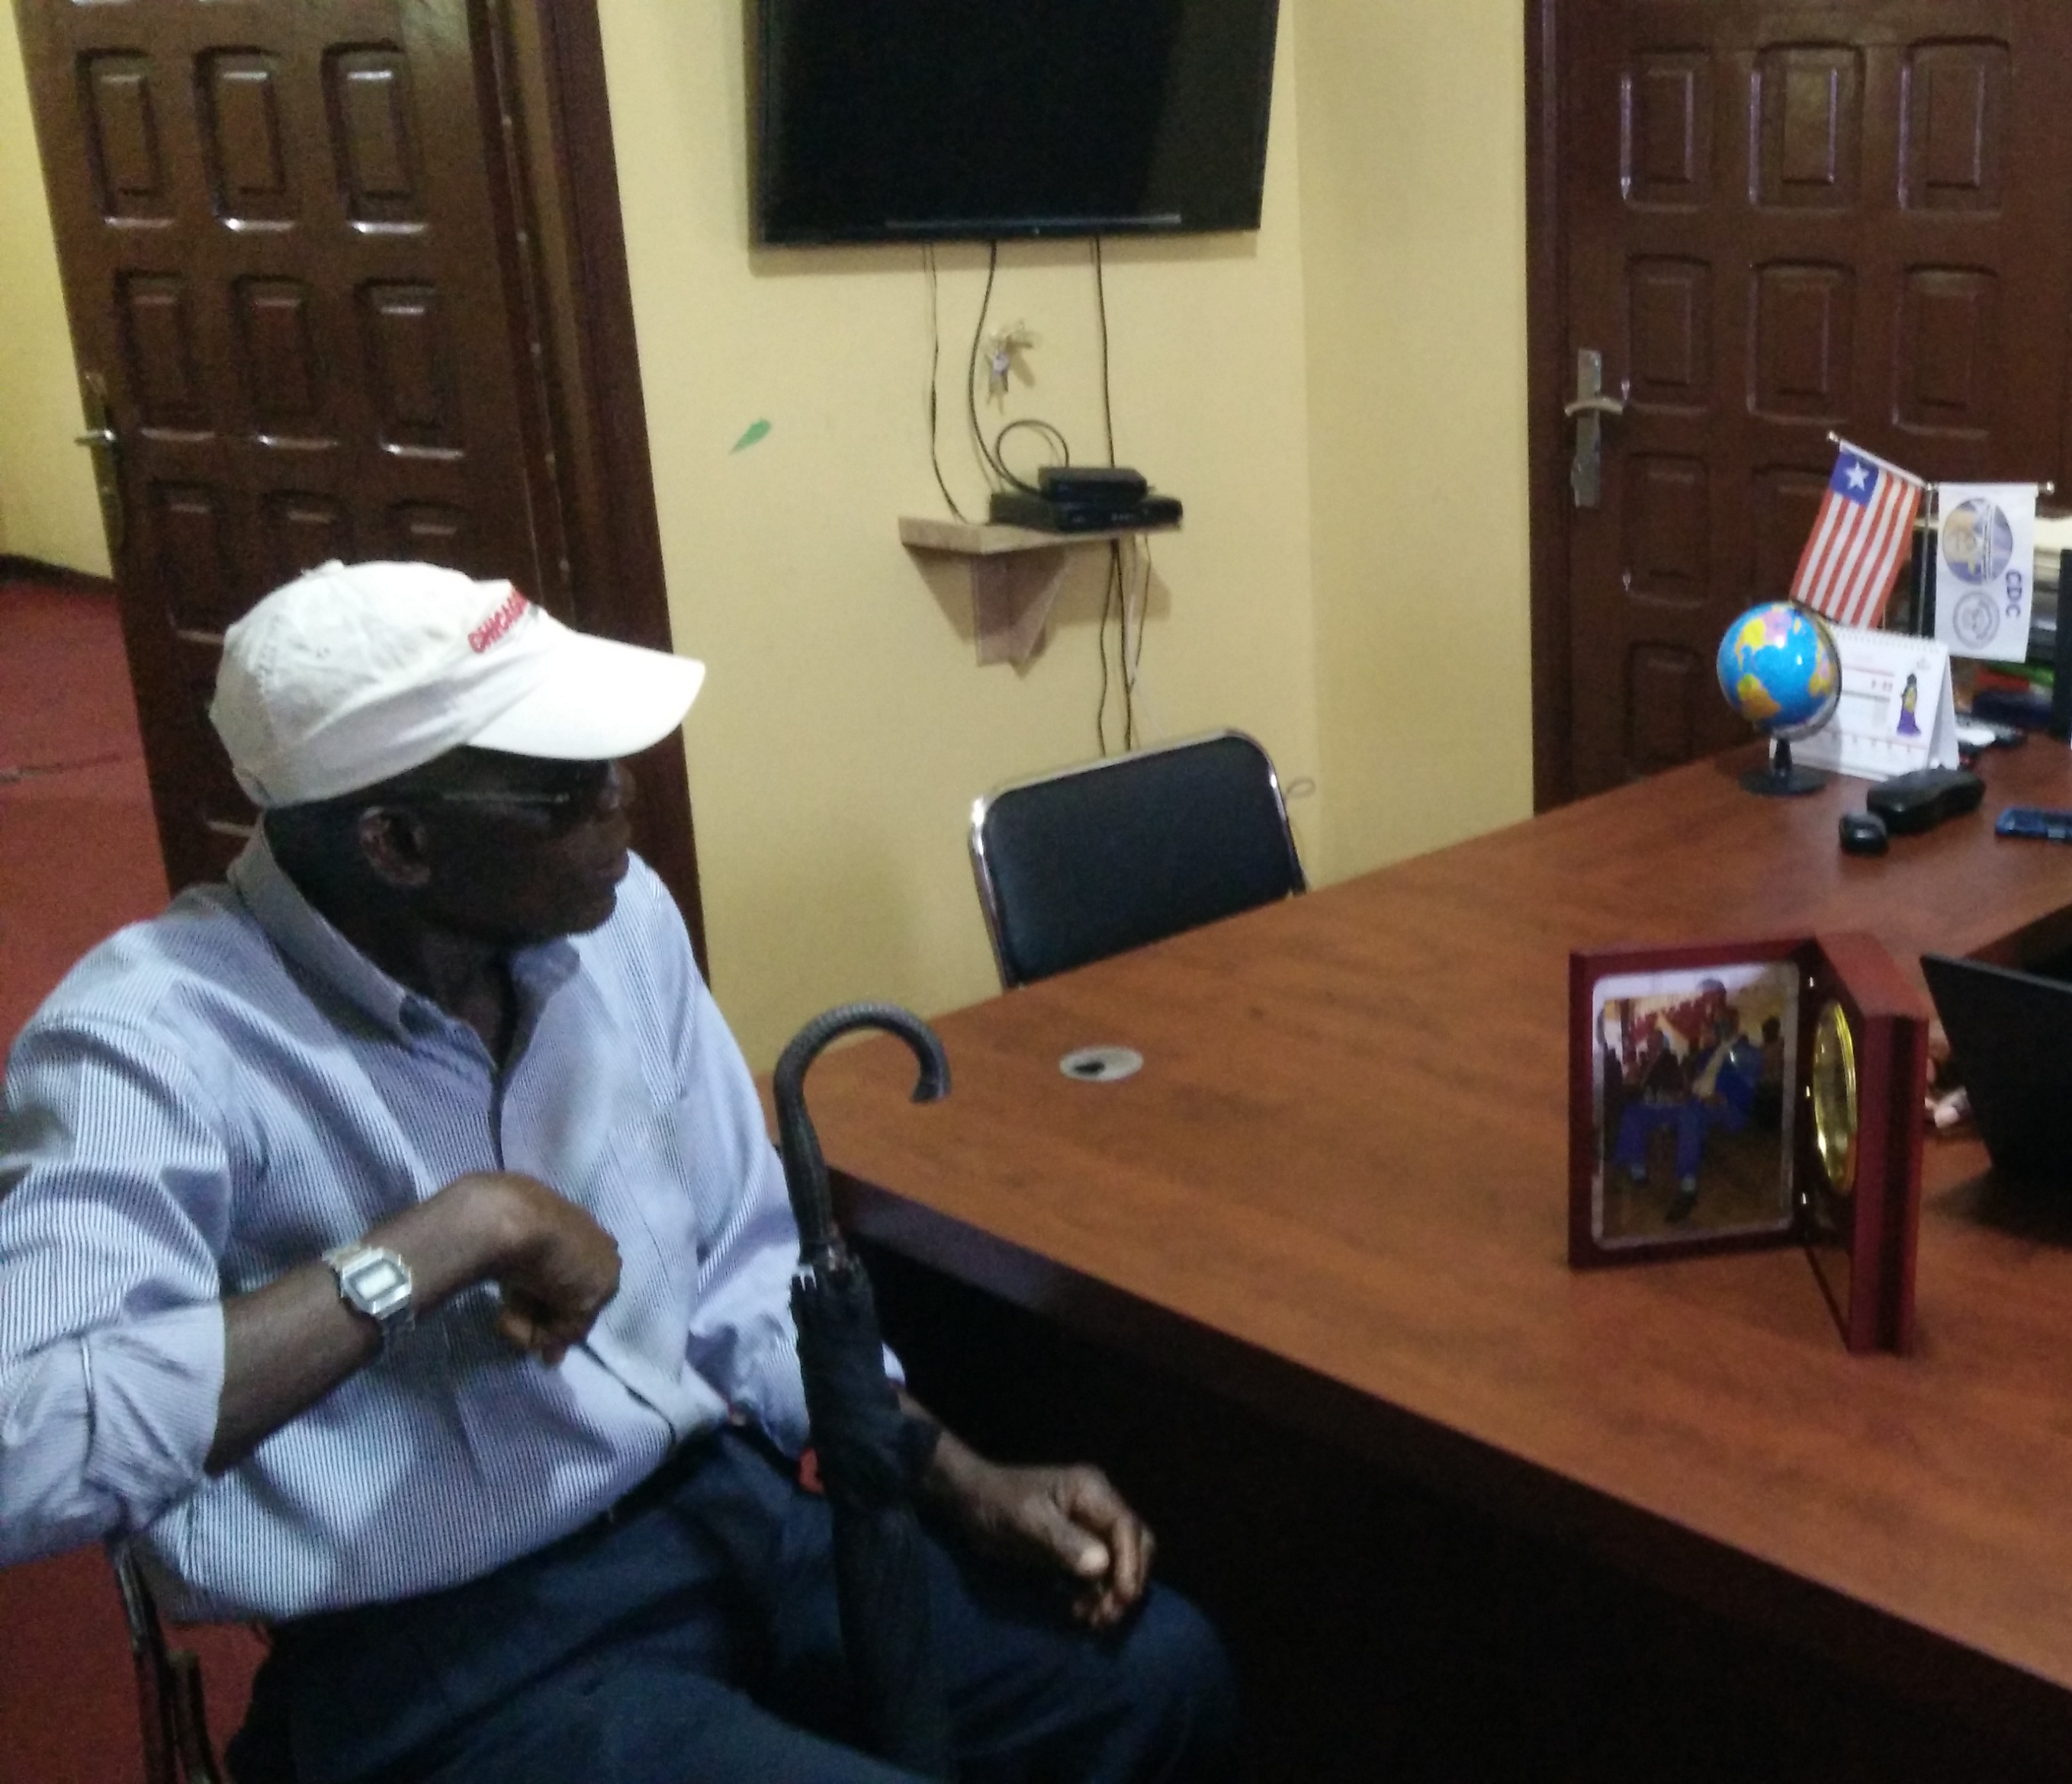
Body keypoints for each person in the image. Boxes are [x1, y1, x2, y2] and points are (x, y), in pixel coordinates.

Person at [0, 562, 1235, 1782]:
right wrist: (450, 1237)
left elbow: (745, 1274)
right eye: (566, 791)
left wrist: (949, 1471)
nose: (621, 806)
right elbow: (27, 1452)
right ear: (399, 842)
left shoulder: (617, 921)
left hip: (712, 1518)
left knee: (1153, 1677)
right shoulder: (152, 1039)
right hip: (442, 1651)